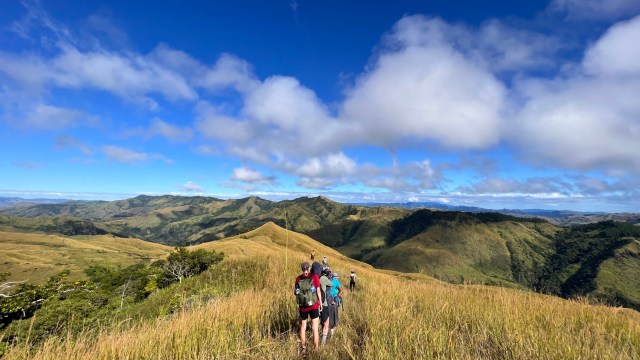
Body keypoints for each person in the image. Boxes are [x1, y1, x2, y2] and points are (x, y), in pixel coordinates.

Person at [295, 261, 323, 354]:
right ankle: (316, 349)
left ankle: (303, 348)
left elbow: (296, 293)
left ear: (302, 269)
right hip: (314, 306)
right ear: (309, 268)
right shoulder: (314, 276)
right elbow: (318, 290)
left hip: (303, 306)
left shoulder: (298, 279)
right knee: (315, 328)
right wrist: (321, 304)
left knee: (303, 327)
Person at [319, 268, 334, 346]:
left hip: (318, 303)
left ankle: (321, 338)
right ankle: (323, 343)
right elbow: (331, 284)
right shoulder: (324, 278)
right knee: (326, 323)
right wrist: (330, 277)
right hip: (324, 304)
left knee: (322, 321)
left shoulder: (319, 277)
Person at [330, 271, 343, 336]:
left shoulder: (329, 280)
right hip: (334, 299)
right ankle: (332, 332)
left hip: (327, 300)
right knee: (334, 315)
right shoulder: (336, 282)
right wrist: (337, 297)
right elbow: (341, 291)